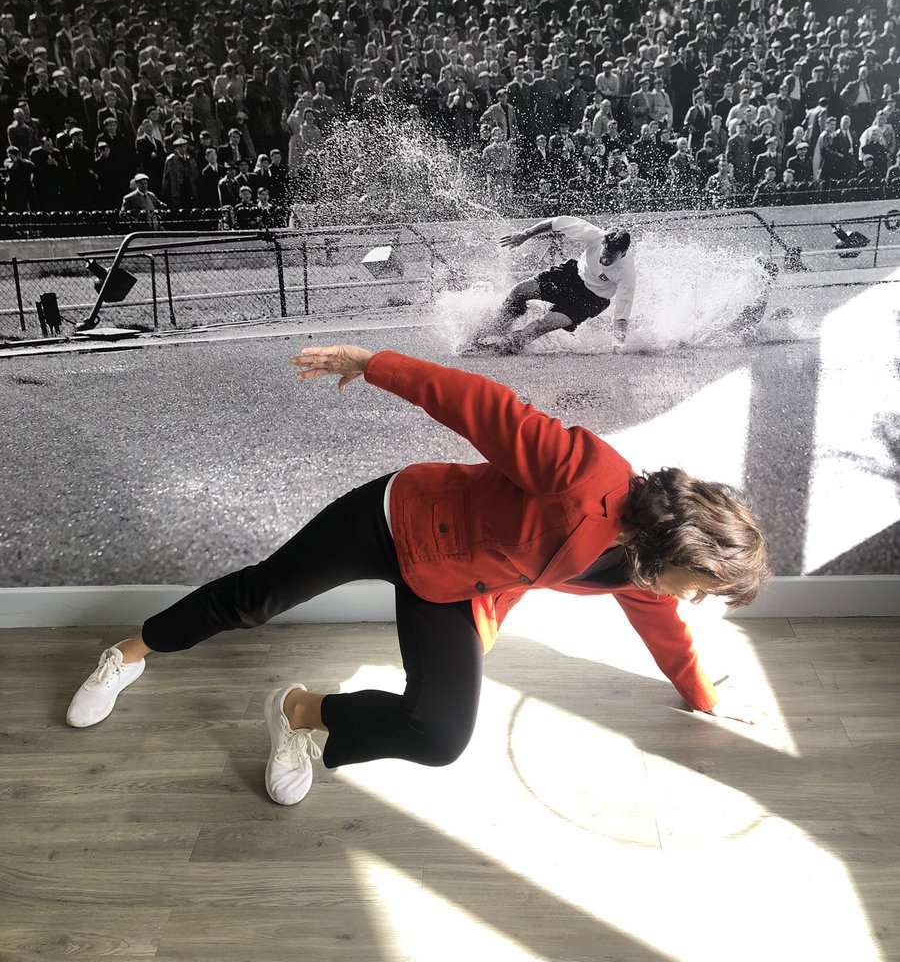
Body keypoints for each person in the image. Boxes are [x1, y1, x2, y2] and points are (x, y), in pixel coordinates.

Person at [66, 344, 770, 807]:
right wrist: (373, 365)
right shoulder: (586, 476)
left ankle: (297, 713)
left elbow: (663, 624)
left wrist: (702, 696)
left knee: (439, 734)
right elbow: (481, 405)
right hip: (396, 518)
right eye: (706, 585)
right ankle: (128, 654)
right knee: (257, 599)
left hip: (452, 587)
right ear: (685, 546)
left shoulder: (642, 570)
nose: (698, 599)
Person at [463, 217, 636, 354]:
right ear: (603, 242)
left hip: (590, 300)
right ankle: (496, 326)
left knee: (538, 326)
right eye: (603, 253)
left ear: (624, 253)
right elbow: (558, 222)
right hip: (572, 275)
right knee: (518, 291)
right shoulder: (595, 235)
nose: (604, 260)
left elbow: (621, 315)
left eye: (610, 258)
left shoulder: (627, 273)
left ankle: (498, 350)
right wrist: (525, 234)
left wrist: (617, 347)